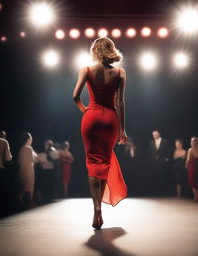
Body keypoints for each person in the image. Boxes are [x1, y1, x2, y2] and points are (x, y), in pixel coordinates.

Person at [73, 37, 128, 229]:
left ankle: (97, 207)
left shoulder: (86, 70)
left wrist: (84, 110)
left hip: (92, 118)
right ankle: (98, 209)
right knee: (103, 162)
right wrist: (122, 129)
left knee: (92, 163)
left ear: (95, 51)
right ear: (111, 50)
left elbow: (75, 96)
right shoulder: (120, 72)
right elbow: (120, 103)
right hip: (111, 120)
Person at [17, 132, 37, 209]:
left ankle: (21, 201)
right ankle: (29, 203)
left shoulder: (21, 148)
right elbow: (33, 160)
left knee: (23, 186)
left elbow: (19, 161)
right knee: (30, 187)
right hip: (29, 169)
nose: (31, 140)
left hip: (22, 169)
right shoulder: (29, 148)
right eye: (31, 139)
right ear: (28, 139)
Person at [148, 130, 170, 195]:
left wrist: (167, 159)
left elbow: (168, 150)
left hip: (162, 162)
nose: (154, 136)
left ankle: (163, 191)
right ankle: (155, 191)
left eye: (156, 134)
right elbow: (149, 152)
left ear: (159, 134)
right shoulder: (151, 142)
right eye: (153, 135)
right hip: (154, 163)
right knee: (155, 177)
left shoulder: (165, 141)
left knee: (162, 176)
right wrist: (151, 160)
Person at [186, 137, 198, 202]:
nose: (191, 142)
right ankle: (196, 196)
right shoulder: (192, 150)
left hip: (196, 167)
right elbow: (188, 160)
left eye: (192, 141)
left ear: (195, 142)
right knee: (194, 182)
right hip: (193, 167)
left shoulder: (197, 149)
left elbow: (189, 160)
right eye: (191, 141)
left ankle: (197, 196)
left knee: (197, 182)